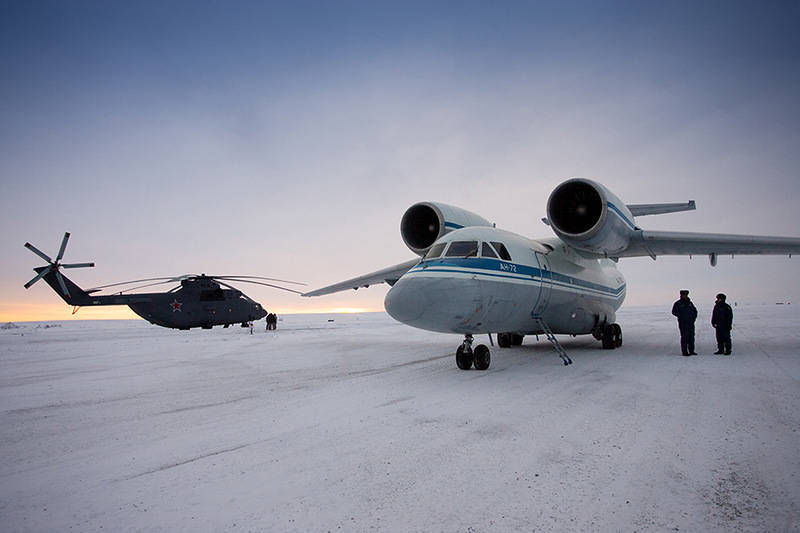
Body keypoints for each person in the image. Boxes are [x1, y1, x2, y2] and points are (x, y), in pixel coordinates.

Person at [671, 289, 698, 356]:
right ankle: (685, 351)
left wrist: (693, 318)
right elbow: (674, 312)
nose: (685, 296)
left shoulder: (690, 303)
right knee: (685, 337)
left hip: (691, 323)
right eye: (683, 295)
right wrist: (681, 317)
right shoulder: (678, 303)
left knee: (691, 337)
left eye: (686, 295)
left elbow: (695, 311)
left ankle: (691, 350)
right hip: (683, 323)